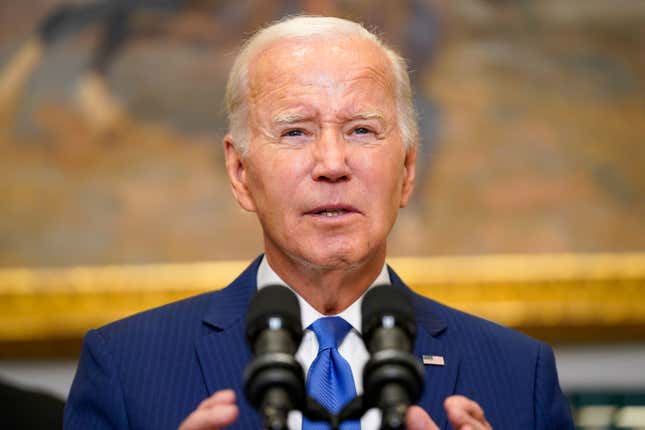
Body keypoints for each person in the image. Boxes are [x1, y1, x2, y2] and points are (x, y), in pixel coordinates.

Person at [64, 16, 574, 430]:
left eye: (361, 130)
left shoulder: (517, 375)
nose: (332, 163)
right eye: (295, 132)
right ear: (240, 172)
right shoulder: (125, 369)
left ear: (408, 170)